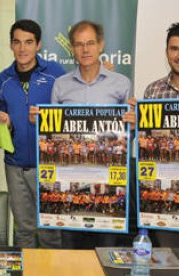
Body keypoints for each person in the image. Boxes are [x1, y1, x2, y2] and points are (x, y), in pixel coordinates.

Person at [49, 20, 131, 248]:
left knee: (106, 250)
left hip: (107, 177)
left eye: (90, 43)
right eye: (79, 44)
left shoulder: (122, 83)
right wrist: (41, 124)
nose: (85, 50)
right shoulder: (60, 85)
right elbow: (54, 134)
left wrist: (133, 124)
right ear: (72, 49)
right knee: (70, 251)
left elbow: (128, 134)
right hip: (72, 178)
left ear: (101, 45)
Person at [124, 22, 179, 249]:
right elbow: (149, 142)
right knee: (170, 260)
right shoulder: (153, 90)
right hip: (163, 197)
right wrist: (138, 125)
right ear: (167, 52)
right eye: (174, 49)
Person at [0, 19, 65, 248]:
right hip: (14, 165)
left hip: (48, 165)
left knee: (49, 231)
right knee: (23, 230)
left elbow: (70, 116)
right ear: (10, 45)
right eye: (17, 42)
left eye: (28, 42)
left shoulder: (56, 74)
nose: (22, 48)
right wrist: (5, 123)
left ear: (39, 45)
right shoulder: (3, 79)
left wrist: (48, 119)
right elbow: (3, 123)